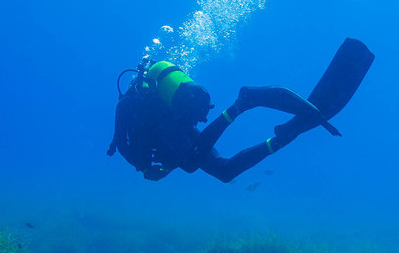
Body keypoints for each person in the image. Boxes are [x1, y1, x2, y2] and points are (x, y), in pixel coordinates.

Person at [109, 38, 373, 183]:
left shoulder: (129, 104)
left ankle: (240, 105)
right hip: (176, 125)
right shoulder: (142, 102)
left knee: (190, 164)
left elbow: (121, 143)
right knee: (224, 172)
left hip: (170, 127)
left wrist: (144, 169)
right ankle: (280, 140)